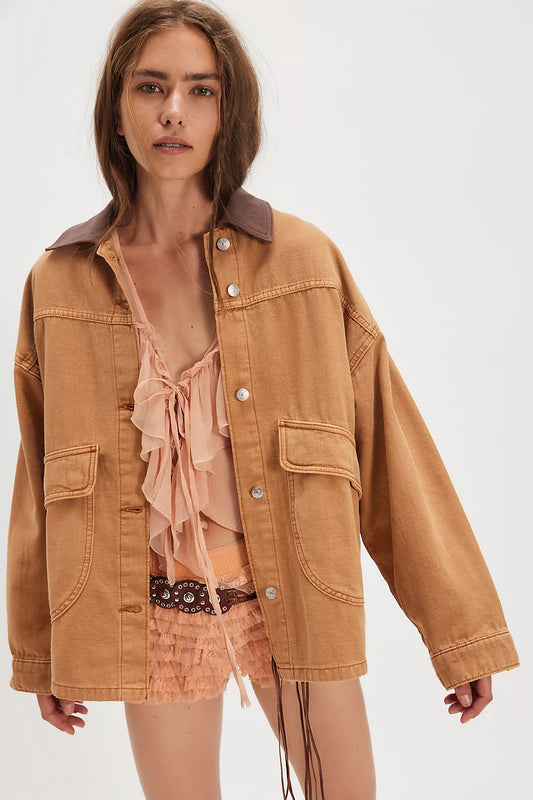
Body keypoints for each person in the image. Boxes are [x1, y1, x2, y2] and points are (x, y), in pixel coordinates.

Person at [5, 1, 520, 799]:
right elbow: (38, 485)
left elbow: (392, 452)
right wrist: (38, 650)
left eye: (199, 90)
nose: (172, 111)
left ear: (227, 111)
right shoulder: (61, 282)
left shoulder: (304, 263)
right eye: (150, 87)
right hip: (153, 622)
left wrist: (460, 635)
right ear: (117, 106)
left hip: (293, 601)